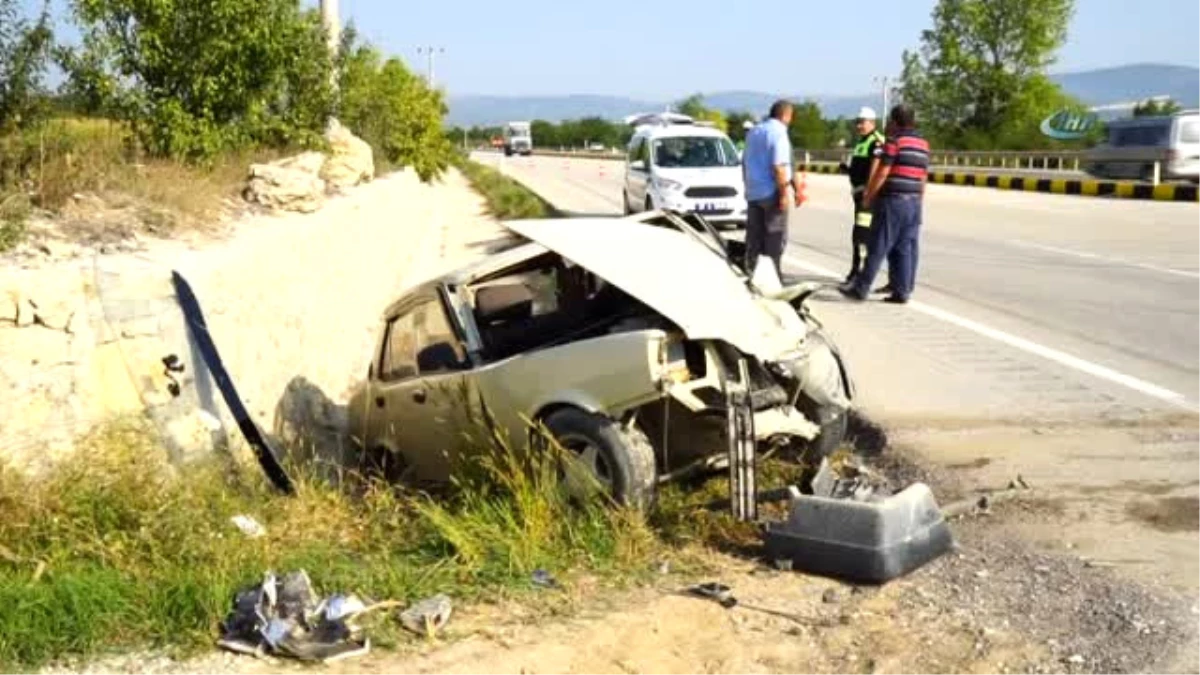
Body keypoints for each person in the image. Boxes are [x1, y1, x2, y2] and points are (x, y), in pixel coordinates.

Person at [839, 104, 930, 304]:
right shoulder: (923, 144)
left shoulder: (894, 141)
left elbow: (882, 171)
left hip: (893, 200)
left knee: (877, 244)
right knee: (903, 247)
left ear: (895, 122)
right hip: (913, 201)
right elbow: (923, 176)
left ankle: (860, 288)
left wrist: (870, 195)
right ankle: (902, 291)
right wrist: (919, 200)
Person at [742, 100, 805, 278]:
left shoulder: (753, 131)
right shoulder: (779, 133)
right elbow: (780, 167)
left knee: (754, 236)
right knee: (774, 236)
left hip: (753, 192)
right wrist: (785, 194)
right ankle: (772, 276)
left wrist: (747, 185)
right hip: (771, 193)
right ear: (786, 115)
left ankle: (751, 272)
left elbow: (744, 163)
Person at [842, 107, 886, 284]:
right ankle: (856, 270)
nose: (859, 125)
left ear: (872, 123)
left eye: (863, 122)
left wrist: (869, 191)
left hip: (869, 196)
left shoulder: (877, 142)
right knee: (858, 234)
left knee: (862, 235)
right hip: (859, 194)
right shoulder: (861, 142)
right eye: (858, 122)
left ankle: (860, 273)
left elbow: (876, 169)